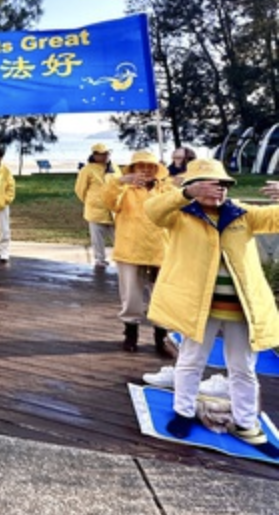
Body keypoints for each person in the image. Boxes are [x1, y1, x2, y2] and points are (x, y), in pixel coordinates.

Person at [146, 159, 279, 453]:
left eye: (221, 184)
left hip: (242, 311)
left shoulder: (243, 214)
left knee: (243, 368)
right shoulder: (180, 215)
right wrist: (184, 194)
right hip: (199, 309)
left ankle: (246, 423)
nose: (215, 190)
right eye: (206, 183)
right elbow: (152, 212)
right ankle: (183, 412)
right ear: (193, 186)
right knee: (191, 361)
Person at [102, 150, 172, 355]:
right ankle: (130, 334)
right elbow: (107, 201)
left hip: (161, 250)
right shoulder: (124, 190)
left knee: (162, 296)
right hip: (130, 249)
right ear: (132, 169)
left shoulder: (166, 189)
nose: (146, 170)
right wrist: (120, 182)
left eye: (150, 166)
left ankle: (162, 337)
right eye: (140, 166)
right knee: (131, 295)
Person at [74, 143, 121, 270]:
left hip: (113, 209)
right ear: (95, 155)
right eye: (102, 154)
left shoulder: (114, 168)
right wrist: (91, 201)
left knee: (119, 238)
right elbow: (80, 189)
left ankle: (121, 259)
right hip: (95, 210)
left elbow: (121, 184)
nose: (105, 156)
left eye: (107, 153)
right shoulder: (87, 170)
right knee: (97, 238)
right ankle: (100, 259)